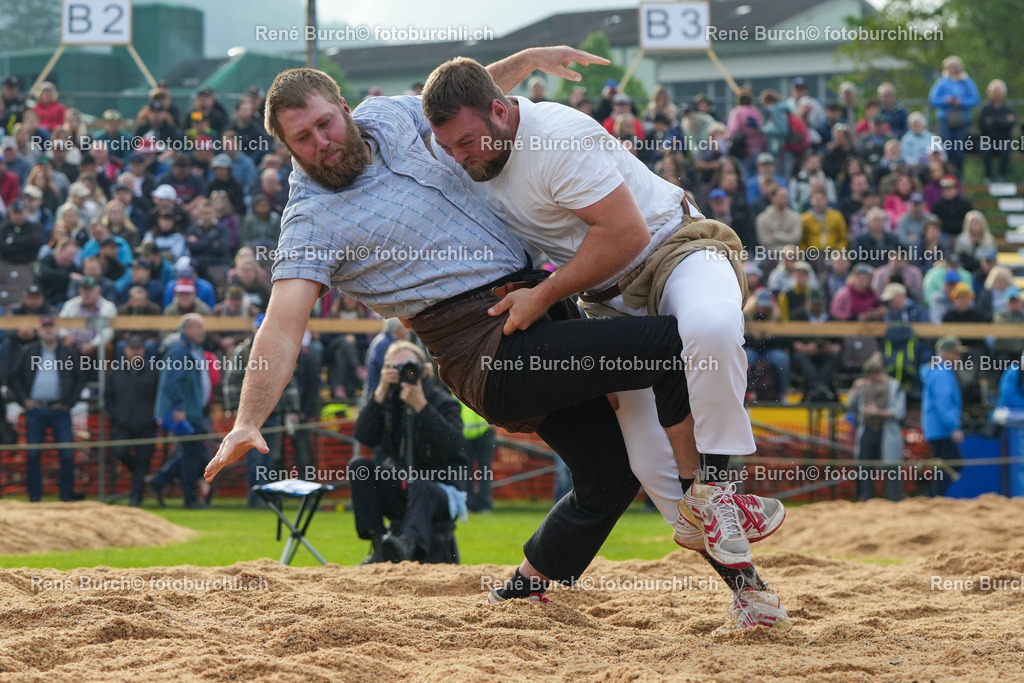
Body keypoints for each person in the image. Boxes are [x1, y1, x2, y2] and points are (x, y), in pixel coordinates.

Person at [203, 56, 787, 629]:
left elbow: (466, 99)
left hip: (541, 311)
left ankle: (532, 592)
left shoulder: (392, 117)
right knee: (674, 345)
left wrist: (529, 61)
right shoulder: (310, 219)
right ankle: (715, 491)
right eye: (301, 139)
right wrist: (247, 419)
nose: (321, 143)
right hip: (487, 348)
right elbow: (282, 323)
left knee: (610, 476)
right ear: (286, 148)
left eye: (324, 123)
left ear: (346, 109)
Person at [421, 57, 786, 566]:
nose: (459, 158)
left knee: (710, 327)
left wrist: (544, 295)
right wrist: (526, 59)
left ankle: (717, 489)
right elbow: (461, 96)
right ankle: (748, 591)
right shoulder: (469, 137)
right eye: (448, 147)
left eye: (466, 143)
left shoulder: (557, 135)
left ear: (500, 113)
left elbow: (627, 236)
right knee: (649, 462)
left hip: (673, 249)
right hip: (605, 298)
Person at [351, 340, 466, 563]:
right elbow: (364, 436)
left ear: (424, 370)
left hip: (440, 491)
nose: (403, 372)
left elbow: (454, 446)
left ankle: (406, 545)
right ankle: (379, 544)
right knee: (360, 467)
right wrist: (381, 391)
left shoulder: (442, 402)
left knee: (422, 484)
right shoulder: (388, 401)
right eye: (394, 367)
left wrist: (421, 407)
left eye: (408, 366)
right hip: (402, 486)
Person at [223, 313, 300, 507]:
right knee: (255, 459)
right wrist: (234, 408)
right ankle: (256, 498)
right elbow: (231, 381)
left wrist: (292, 410)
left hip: (273, 415)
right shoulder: (242, 351)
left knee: (270, 457)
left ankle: (266, 497)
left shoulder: (280, 350)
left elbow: (289, 381)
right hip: (250, 418)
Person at [9, 316, 85, 501]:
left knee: (66, 456)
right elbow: (14, 376)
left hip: (60, 411)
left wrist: (69, 402)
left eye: (51, 327)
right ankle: (35, 497)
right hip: (35, 410)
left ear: (56, 329)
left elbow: (80, 378)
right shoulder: (28, 351)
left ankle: (65, 497)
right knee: (33, 455)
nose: (48, 330)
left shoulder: (67, 353)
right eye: (45, 327)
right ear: (39, 330)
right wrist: (24, 400)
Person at [151, 314, 212, 509]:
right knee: (191, 454)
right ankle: (189, 498)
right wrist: (179, 407)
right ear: (187, 329)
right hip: (185, 412)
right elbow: (172, 382)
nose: (203, 331)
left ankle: (160, 480)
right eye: (199, 327)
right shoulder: (179, 350)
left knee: (192, 453)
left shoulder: (191, 349)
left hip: (193, 410)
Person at [104, 335, 160, 506]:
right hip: (122, 423)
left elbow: (159, 396)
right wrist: (117, 415)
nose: (135, 352)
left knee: (144, 460)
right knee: (121, 452)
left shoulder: (154, 371)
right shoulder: (115, 372)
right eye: (132, 349)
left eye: (138, 349)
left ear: (143, 351)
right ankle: (141, 479)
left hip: (147, 424)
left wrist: (155, 417)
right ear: (125, 350)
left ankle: (136, 498)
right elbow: (108, 397)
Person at [848, 352, 907, 501]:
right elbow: (850, 405)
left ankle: (893, 499)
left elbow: (899, 412)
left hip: (887, 432)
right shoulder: (863, 386)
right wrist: (854, 389)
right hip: (867, 430)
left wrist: (877, 412)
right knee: (864, 467)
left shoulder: (895, 386)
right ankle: (864, 498)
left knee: (891, 467)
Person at [920, 335, 965, 497]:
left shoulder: (938, 371)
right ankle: (933, 496)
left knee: (944, 466)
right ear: (946, 353)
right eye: (955, 353)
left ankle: (935, 496)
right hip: (941, 429)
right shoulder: (941, 374)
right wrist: (953, 427)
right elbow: (943, 403)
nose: (958, 357)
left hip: (937, 427)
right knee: (952, 464)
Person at [928, 56, 979, 176]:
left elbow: (974, 100)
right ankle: (948, 175)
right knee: (948, 149)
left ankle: (959, 177)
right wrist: (947, 100)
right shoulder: (942, 82)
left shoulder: (967, 82)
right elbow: (933, 99)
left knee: (959, 150)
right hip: (946, 119)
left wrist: (961, 101)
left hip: (961, 120)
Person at [978, 80, 1016, 183]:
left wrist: (993, 121)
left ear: (1003, 93)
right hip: (988, 140)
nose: (995, 94)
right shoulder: (985, 108)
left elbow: (1011, 124)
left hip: (1004, 140)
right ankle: (988, 176)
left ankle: (1002, 176)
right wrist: (1003, 121)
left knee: (1006, 149)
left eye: (998, 91)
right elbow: (983, 125)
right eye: (993, 91)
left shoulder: (1008, 108)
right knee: (985, 149)